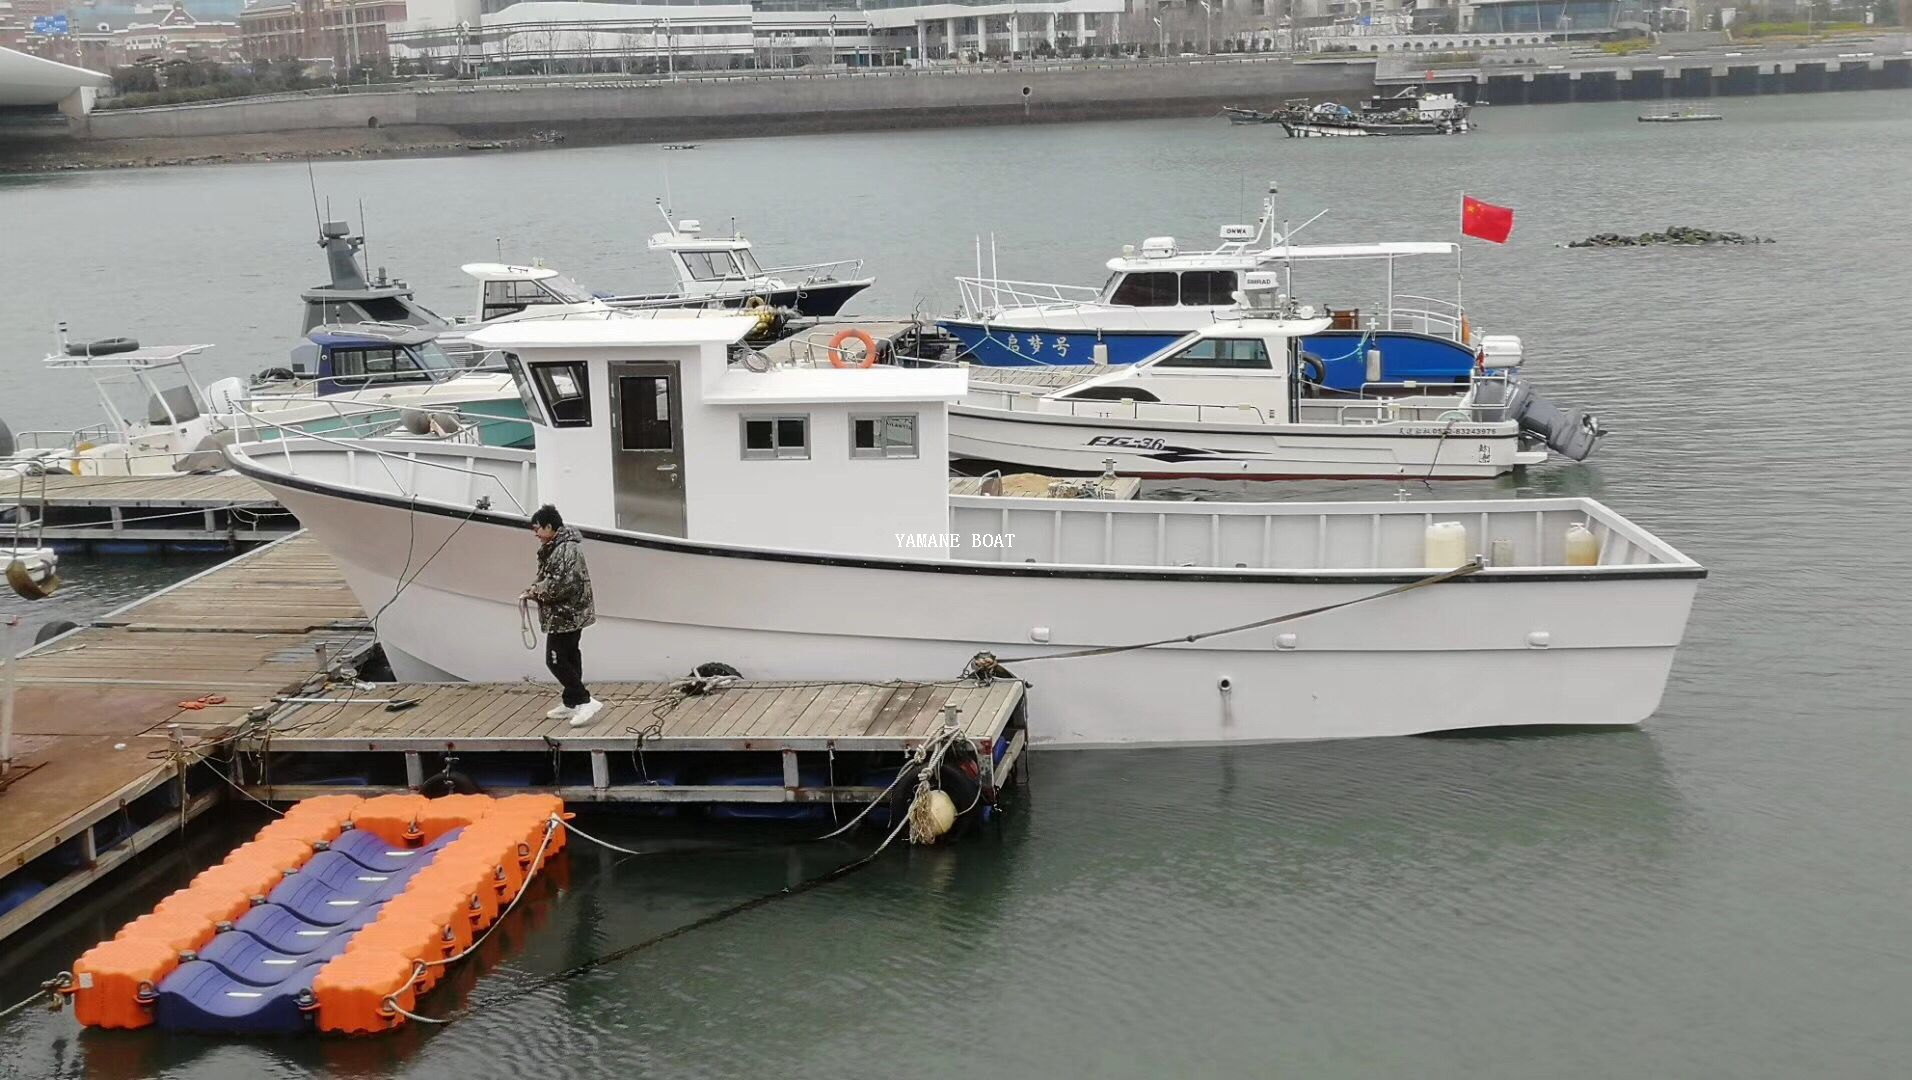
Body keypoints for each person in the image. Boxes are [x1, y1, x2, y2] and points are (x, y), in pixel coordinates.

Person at [521, 504, 601, 727]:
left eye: (537, 529)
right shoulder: (557, 546)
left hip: (566, 614)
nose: (535, 533)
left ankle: (585, 700)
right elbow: (552, 577)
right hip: (571, 613)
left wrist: (535, 592)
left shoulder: (565, 549)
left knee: (555, 660)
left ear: (549, 526)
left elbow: (563, 584)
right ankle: (571, 702)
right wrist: (536, 589)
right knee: (570, 656)